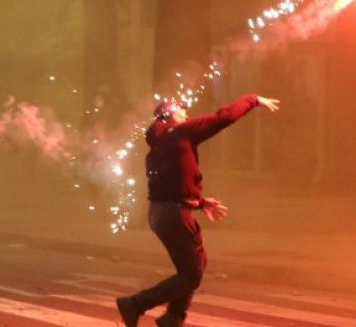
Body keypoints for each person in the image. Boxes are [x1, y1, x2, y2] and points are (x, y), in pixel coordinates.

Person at [116, 94, 280, 327]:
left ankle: (174, 316)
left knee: (196, 264)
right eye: (182, 111)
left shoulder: (160, 143)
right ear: (171, 114)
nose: (187, 114)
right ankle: (135, 304)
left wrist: (200, 203)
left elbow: (174, 183)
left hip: (162, 212)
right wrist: (252, 99)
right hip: (174, 215)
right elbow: (222, 117)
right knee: (191, 273)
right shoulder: (181, 132)